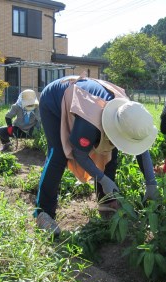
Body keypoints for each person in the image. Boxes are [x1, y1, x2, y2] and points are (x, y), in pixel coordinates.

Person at [35, 75, 159, 236]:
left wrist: (151, 183)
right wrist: (102, 178)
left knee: (111, 151)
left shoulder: (129, 113)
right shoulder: (89, 123)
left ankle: (106, 202)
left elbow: (140, 145)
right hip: (54, 99)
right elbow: (79, 154)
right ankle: (44, 214)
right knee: (58, 154)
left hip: (87, 98)